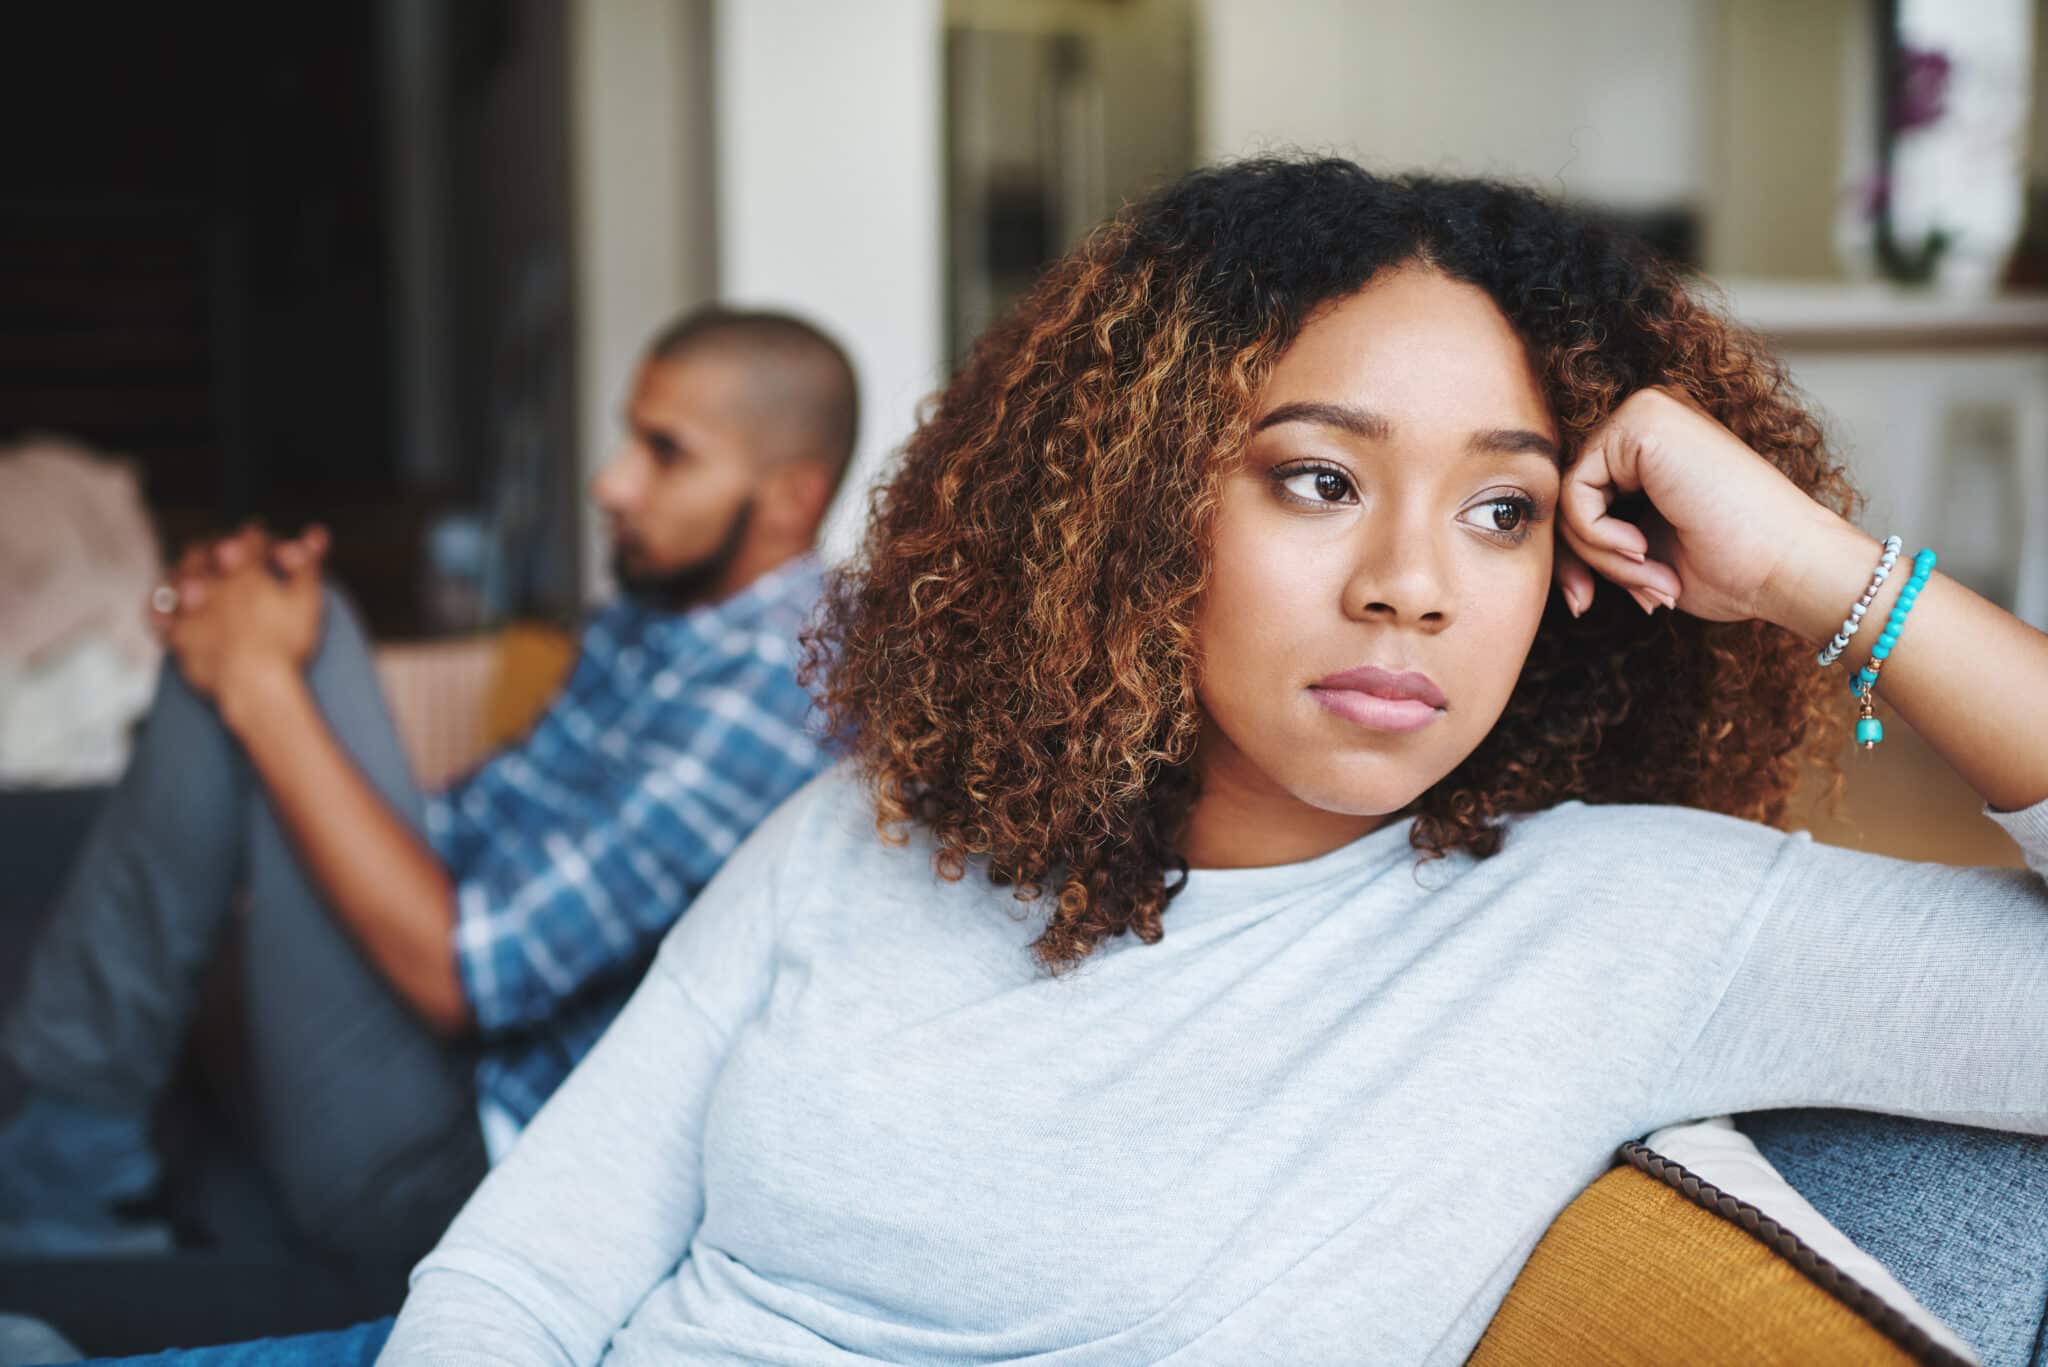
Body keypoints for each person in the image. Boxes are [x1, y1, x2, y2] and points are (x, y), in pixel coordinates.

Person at [100, 158, 2048, 1364]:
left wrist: (1834, 573)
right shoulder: (868, 832)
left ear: (1576, 569)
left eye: (1500, 511)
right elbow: (520, 1278)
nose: (1406, 586)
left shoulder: (1625, 921)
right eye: (1314, 475)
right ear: (1133, 509)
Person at [0, 307, 859, 1323]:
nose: (611, 480)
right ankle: (65, 1157)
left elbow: (470, 975)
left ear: (789, 494)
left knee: (290, 644)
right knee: (270, 618)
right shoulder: (664, 617)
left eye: (664, 453)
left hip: (461, 1159)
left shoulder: (772, 686)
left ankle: (60, 1171)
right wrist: (248, 673)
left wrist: (266, 688)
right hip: (435, 1053)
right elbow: (461, 829)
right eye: (631, 437)